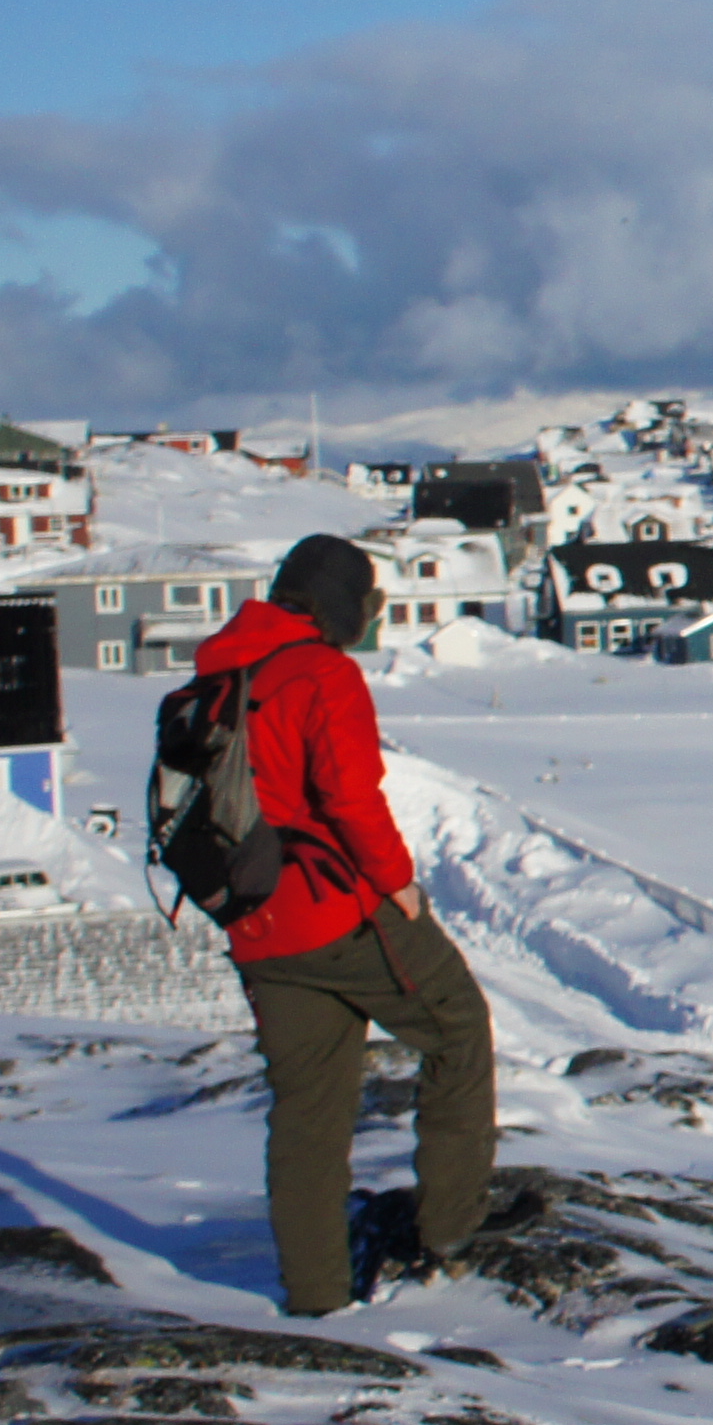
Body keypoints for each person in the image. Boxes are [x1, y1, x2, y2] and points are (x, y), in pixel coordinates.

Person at [204, 534, 499, 1317]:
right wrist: (398, 884)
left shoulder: (219, 672)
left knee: (307, 1110)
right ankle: (450, 1235)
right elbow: (347, 797)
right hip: (335, 907)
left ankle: (316, 1295)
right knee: (459, 1029)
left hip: (256, 924)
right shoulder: (320, 672)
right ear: (341, 605)